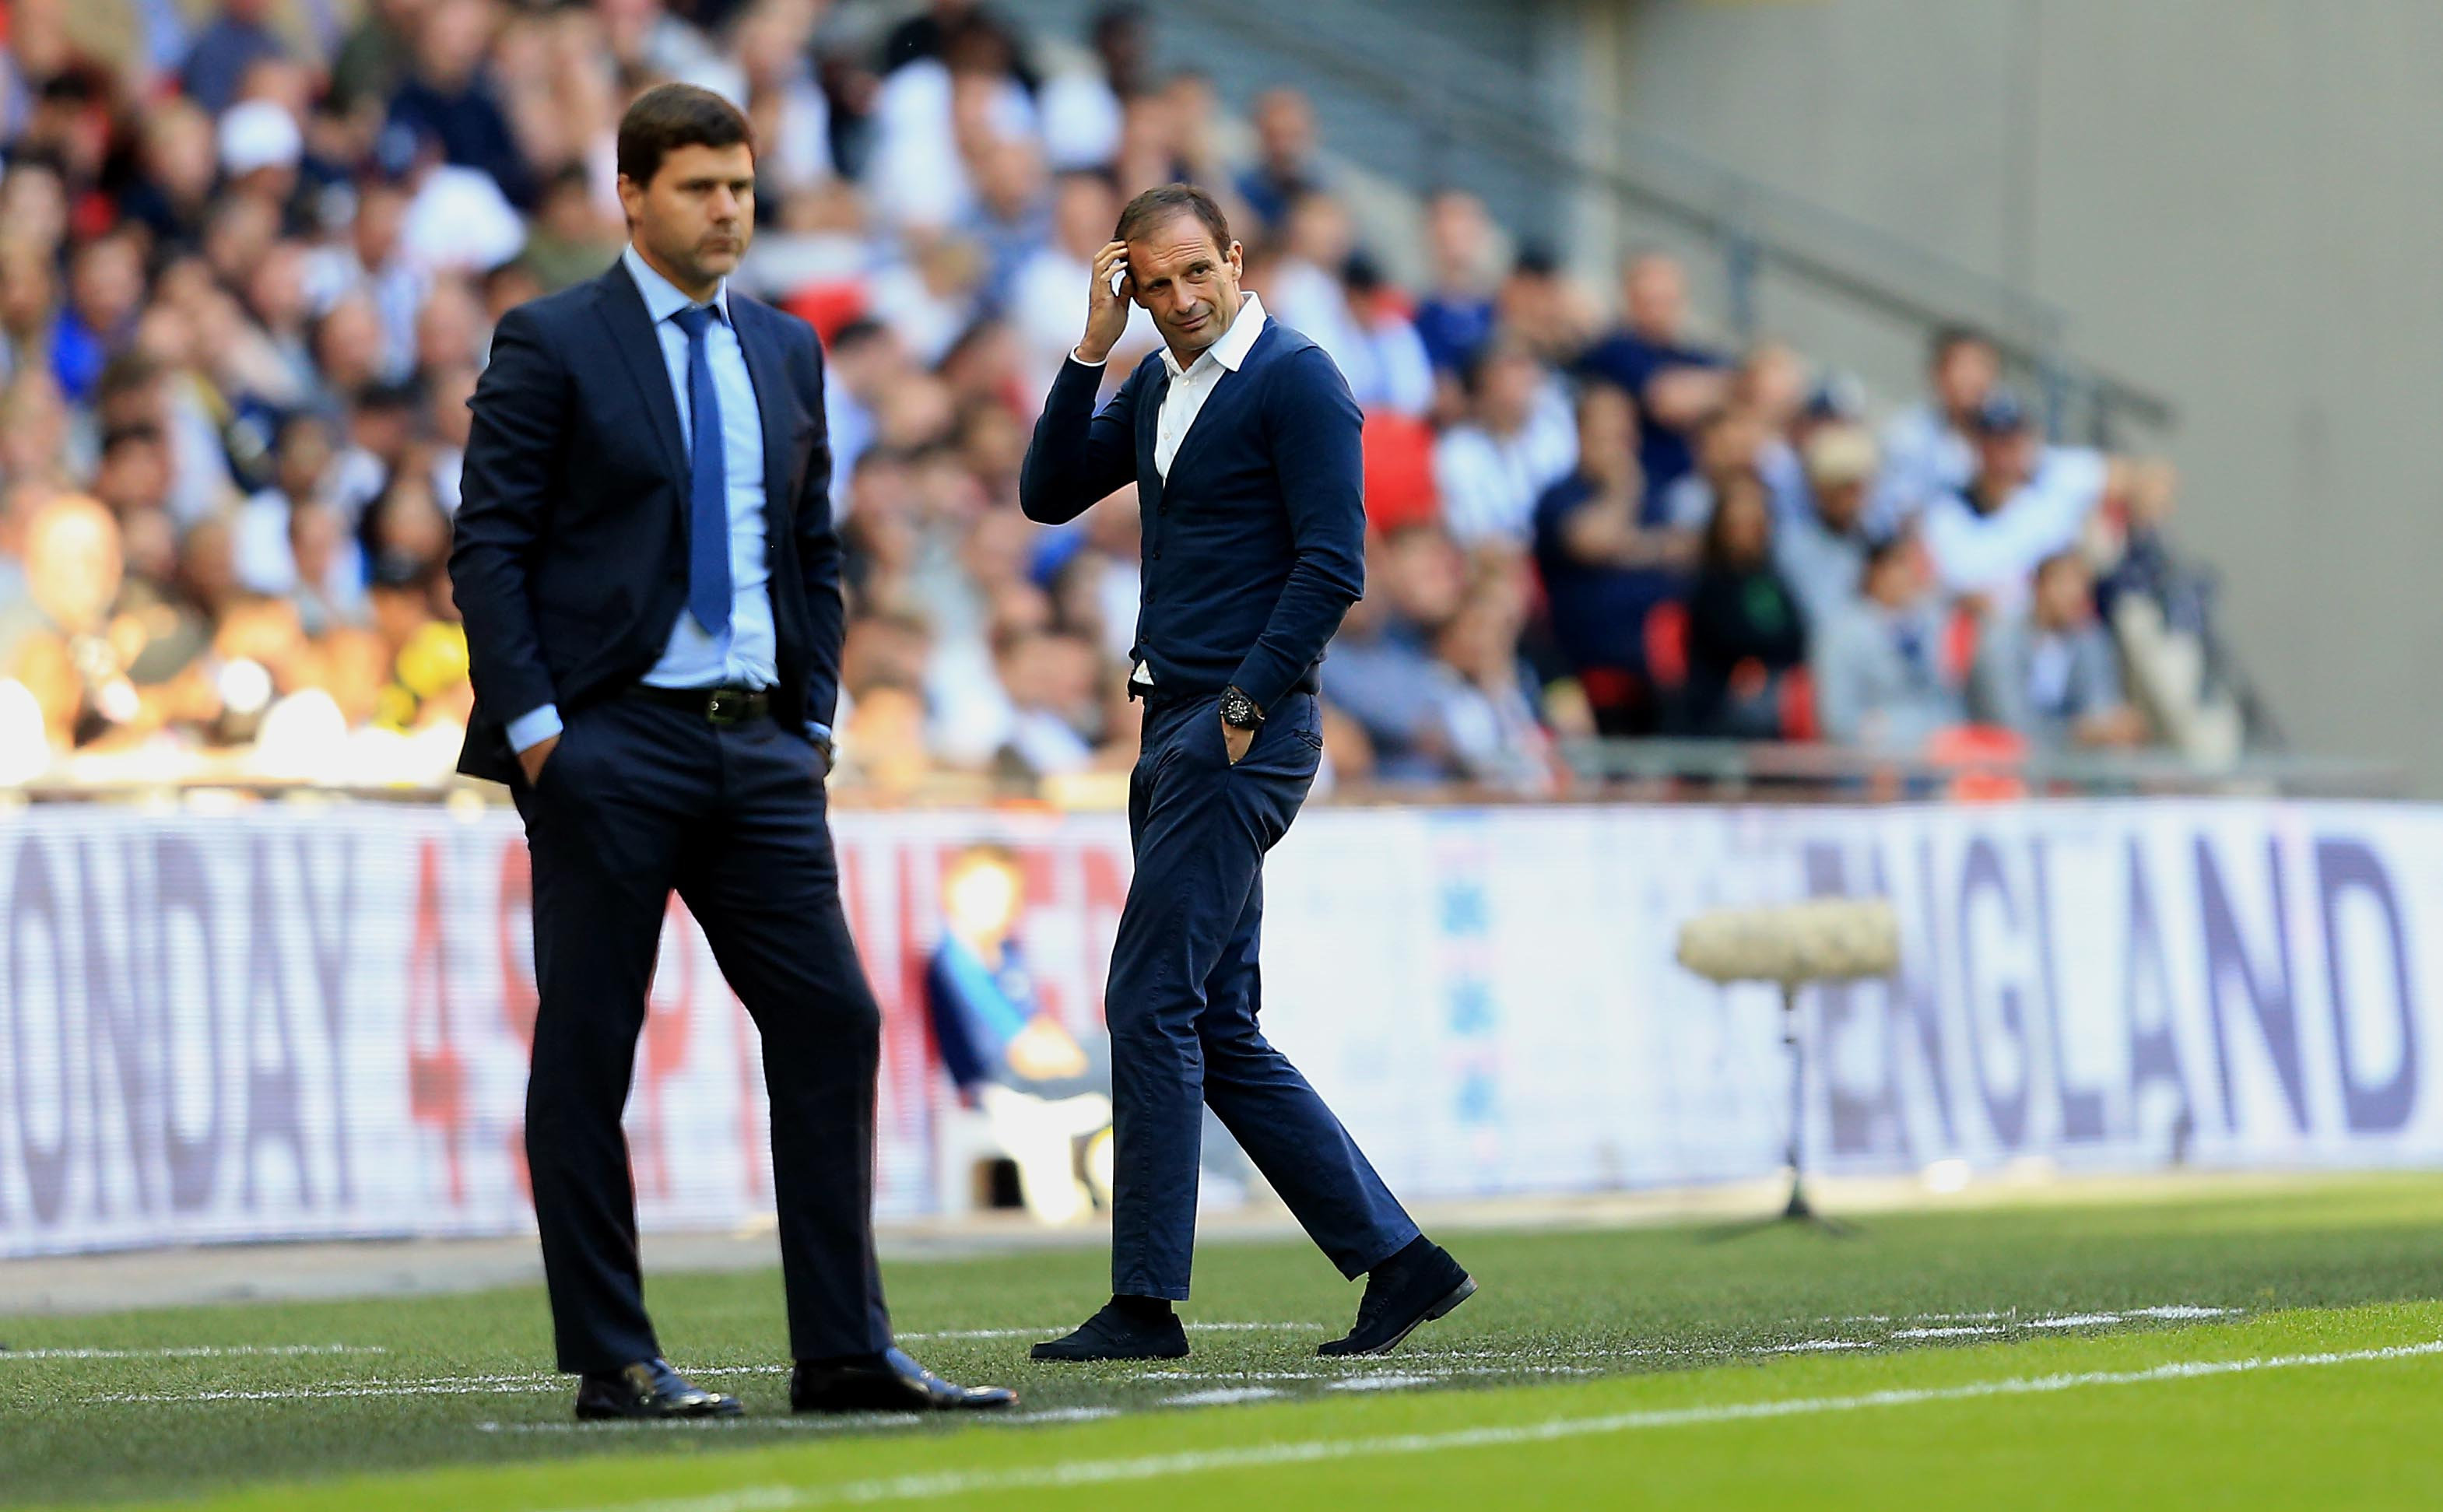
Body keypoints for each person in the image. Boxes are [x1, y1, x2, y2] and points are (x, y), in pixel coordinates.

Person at [448, 83, 1011, 1422]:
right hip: (610, 743)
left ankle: (840, 1348)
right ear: (629, 195)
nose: (727, 211)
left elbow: (808, 547)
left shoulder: (784, 348)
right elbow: (488, 545)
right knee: (591, 1044)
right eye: (700, 187)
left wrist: (812, 715)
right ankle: (613, 1356)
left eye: (743, 189)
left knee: (832, 1020)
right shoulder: (552, 340)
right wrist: (540, 735)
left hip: (759, 748)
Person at [1018, 183, 1474, 1363]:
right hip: (1175, 722)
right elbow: (1043, 492)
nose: (1173, 302)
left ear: (1234, 257)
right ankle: (1399, 1260)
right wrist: (1086, 346)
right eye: (1150, 285)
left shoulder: (1297, 378)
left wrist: (1238, 707)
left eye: (1191, 276)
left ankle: (1144, 1302)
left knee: (1149, 999)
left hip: (1233, 729)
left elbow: (1332, 566)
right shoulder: (1160, 382)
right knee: (1215, 1020)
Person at [1974, 549, 2150, 750]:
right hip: (2004, 763)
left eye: (2082, 585)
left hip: (2073, 762)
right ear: (2038, 587)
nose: (2074, 594)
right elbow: (2008, 725)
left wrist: (2111, 728)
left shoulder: (2090, 640)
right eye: (2064, 583)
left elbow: (2101, 708)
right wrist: (2080, 733)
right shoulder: (2000, 642)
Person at [1682, 472, 1808, 738]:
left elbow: (1797, 633)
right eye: (1738, 524)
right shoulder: (1710, 582)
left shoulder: (1772, 578)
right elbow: (1729, 639)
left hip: (1778, 684)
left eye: (1755, 524)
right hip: (1724, 697)